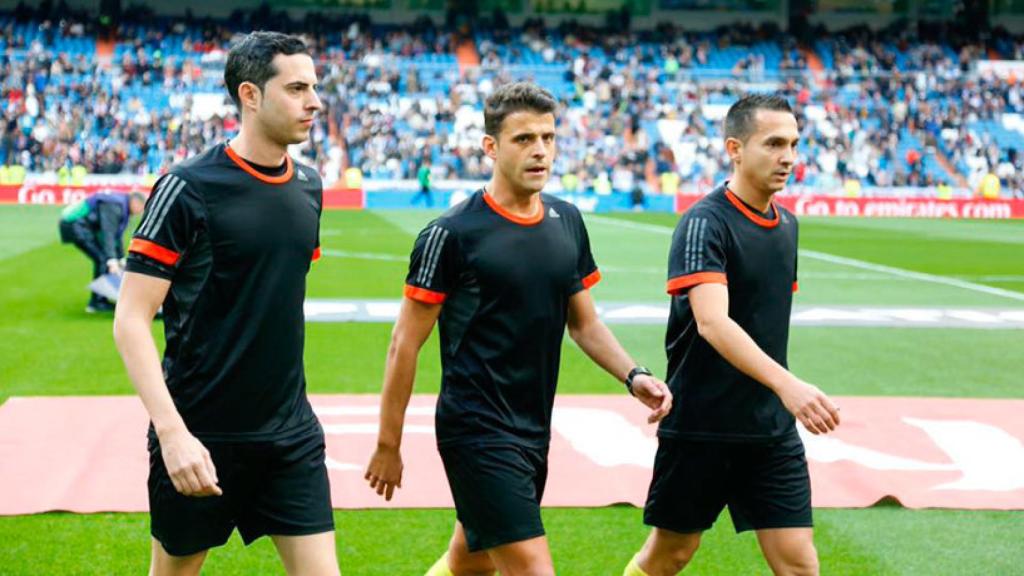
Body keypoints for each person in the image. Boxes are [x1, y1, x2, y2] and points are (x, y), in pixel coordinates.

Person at [364, 82, 673, 576]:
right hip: (476, 430)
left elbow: (585, 324)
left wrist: (634, 375)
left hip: (533, 426)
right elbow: (404, 344)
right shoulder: (452, 234)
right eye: (524, 139)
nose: (540, 151)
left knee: (471, 561)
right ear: (491, 147)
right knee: (531, 568)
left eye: (548, 138)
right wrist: (388, 443)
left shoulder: (566, 221)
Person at [112, 32, 340, 576]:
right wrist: (172, 434)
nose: (314, 101)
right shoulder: (186, 187)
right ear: (250, 95)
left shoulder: (309, 185)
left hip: (290, 435)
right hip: (199, 436)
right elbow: (130, 319)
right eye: (297, 88)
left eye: (315, 86)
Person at [623, 94, 842, 576]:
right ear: (735, 149)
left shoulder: (787, 225)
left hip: (769, 430)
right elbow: (712, 322)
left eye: (794, 144)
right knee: (669, 555)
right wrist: (789, 385)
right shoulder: (705, 222)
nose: (788, 156)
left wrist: (778, 396)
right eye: (774, 143)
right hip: (702, 425)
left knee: (800, 563)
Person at [58, 191, 146, 312]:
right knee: (102, 260)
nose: (140, 213)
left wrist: (120, 258)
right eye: (141, 208)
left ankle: (100, 299)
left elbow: (116, 236)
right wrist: (111, 259)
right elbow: (108, 232)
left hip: (82, 226)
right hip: (74, 226)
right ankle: (96, 302)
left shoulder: (120, 204)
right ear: (135, 202)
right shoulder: (114, 206)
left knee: (103, 259)